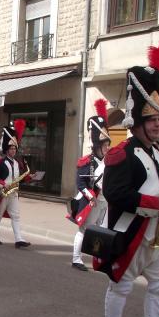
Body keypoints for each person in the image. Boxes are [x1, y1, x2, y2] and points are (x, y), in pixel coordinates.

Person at [96, 43, 159, 317]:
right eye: (151, 119)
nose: (158, 124)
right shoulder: (121, 153)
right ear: (137, 122)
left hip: (156, 235)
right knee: (122, 285)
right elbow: (114, 193)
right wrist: (155, 203)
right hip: (130, 231)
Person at [68, 99, 111, 271]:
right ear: (97, 145)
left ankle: (97, 259)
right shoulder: (87, 161)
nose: (107, 147)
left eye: (108, 144)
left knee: (101, 230)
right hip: (92, 200)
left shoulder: (109, 161)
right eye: (104, 144)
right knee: (84, 230)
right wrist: (90, 195)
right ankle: (76, 259)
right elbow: (80, 182)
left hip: (105, 200)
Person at [0, 121, 34, 248]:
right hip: (2, 192)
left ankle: (19, 239)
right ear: (7, 150)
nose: (13, 150)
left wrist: (30, 177)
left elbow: (19, 178)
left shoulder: (17, 163)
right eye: (11, 148)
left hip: (13, 192)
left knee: (16, 215)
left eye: (15, 148)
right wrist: (3, 185)